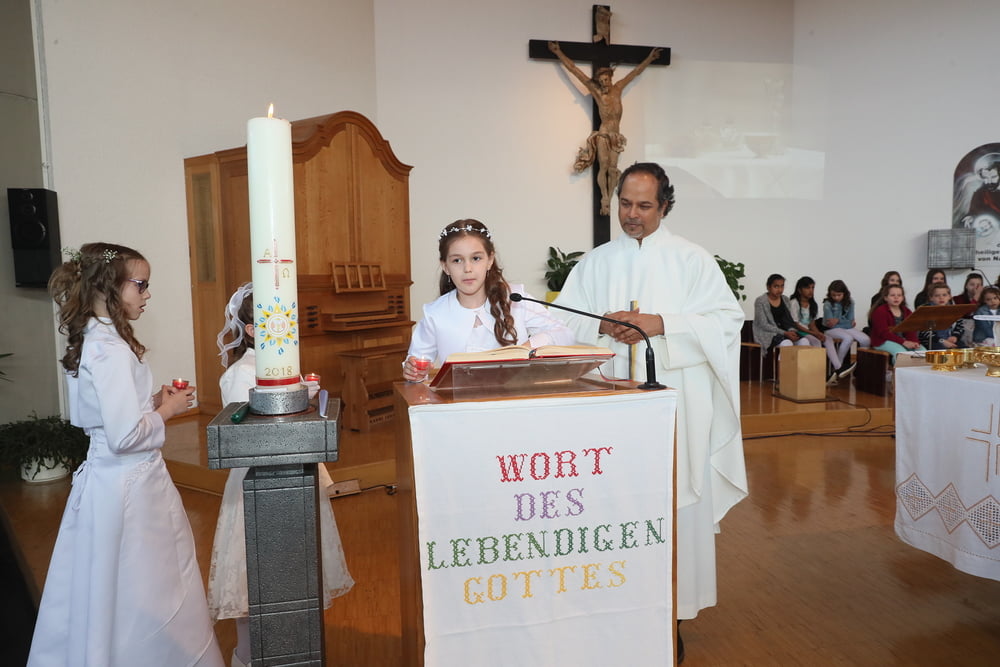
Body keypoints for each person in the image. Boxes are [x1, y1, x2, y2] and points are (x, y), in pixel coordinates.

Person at [554, 162, 747, 660]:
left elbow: (727, 322)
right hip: (608, 413)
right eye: (625, 204)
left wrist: (660, 323)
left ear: (665, 207)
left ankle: (672, 617)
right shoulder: (595, 263)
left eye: (644, 205)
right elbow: (560, 325)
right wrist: (603, 326)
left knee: (672, 504)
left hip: (676, 412)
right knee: (614, 506)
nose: (632, 215)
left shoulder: (692, 260)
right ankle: (614, 612)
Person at [29, 242, 224, 666]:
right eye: (141, 285)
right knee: (146, 584)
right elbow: (125, 436)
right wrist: (168, 411)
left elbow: (99, 416)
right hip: (129, 487)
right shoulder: (111, 350)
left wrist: (152, 401)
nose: (147, 294)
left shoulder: (94, 337)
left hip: (108, 479)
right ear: (109, 286)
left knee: (111, 584)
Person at [211, 282, 354, 667]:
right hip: (256, 485)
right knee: (251, 581)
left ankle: (294, 647)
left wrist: (306, 400)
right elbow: (243, 434)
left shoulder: (284, 369)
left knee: (294, 571)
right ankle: (247, 656)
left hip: (294, 477)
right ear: (252, 329)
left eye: (285, 322)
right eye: (272, 323)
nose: (283, 330)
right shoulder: (241, 373)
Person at [404, 219, 576, 378]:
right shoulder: (435, 313)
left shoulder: (515, 299)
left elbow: (564, 334)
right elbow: (417, 366)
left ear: (490, 260)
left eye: (476, 258)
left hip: (515, 396)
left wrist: (526, 349)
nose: (467, 268)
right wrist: (414, 371)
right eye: (457, 260)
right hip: (459, 399)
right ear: (445, 266)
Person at [547, 41, 663, 215]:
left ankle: (610, 196)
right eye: (601, 81)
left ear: (610, 78)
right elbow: (575, 70)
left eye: (606, 80)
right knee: (604, 166)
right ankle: (605, 198)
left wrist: (650, 58)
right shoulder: (597, 93)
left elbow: (635, 72)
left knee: (613, 169)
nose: (604, 83)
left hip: (616, 136)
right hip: (603, 134)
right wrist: (558, 53)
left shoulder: (618, 88)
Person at [822, 280, 870, 380]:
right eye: (833, 295)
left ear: (844, 293)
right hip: (831, 330)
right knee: (848, 338)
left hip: (847, 328)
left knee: (866, 340)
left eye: (839, 295)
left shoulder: (850, 302)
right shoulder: (827, 303)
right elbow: (830, 324)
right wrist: (845, 321)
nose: (836, 297)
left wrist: (838, 320)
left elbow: (851, 321)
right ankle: (839, 367)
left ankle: (862, 367)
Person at [752, 273, 812, 352]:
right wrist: (785, 333)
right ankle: (784, 361)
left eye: (782, 286)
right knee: (787, 343)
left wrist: (791, 330)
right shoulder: (760, 301)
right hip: (768, 334)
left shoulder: (785, 299)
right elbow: (763, 325)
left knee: (804, 341)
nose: (780, 290)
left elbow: (789, 320)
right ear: (768, 287)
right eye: (776, 286)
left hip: (786, 332)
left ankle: (800, 361)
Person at [871, 284, 925, 361]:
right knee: (901, 354)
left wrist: (914, 342)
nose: (896, 297)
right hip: (884, 341)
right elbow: (883, 333)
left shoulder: (907, 311)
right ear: (886, 298)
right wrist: (903, 342)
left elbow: (911, 330)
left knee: (922, 352)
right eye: (892, 295)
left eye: (899, 295)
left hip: (903, 340)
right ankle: (898, 369)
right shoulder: (880, 311)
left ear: (902, 298)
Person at [917, 284, 967, 350]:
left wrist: (955, 336)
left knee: (965, 349)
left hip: (950, 339)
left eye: (944, 295)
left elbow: (960, 326)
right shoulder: (926, 311)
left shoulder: (954, 310)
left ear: (949, 296)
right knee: (941, 350)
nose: (941, 298)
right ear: (931, 298)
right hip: (933, 341)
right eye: (937, 295)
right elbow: (925, 332)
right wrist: (942, 341)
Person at [788, 275, 826, 348]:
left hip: (808, 332)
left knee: (824, 339)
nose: (811, 290)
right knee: (815, 342)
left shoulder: (813, 304)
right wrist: (813, 333)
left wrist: (818, 333)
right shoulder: (794, 303)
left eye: (812, 287)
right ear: (799, 290)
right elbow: (796, 325)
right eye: (807, 288)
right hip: (797, 331)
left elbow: (812, 325)